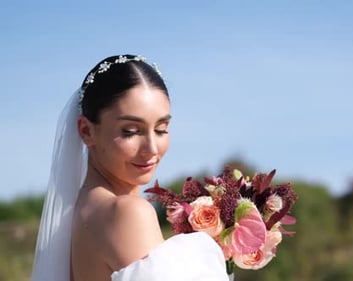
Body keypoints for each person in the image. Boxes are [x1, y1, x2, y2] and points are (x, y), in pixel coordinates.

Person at [32, 55, 229, 281]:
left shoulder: (75, 214)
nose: (152, 149)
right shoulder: (127, 213)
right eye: (131, 131)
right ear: (86, 131)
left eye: (161, 128)